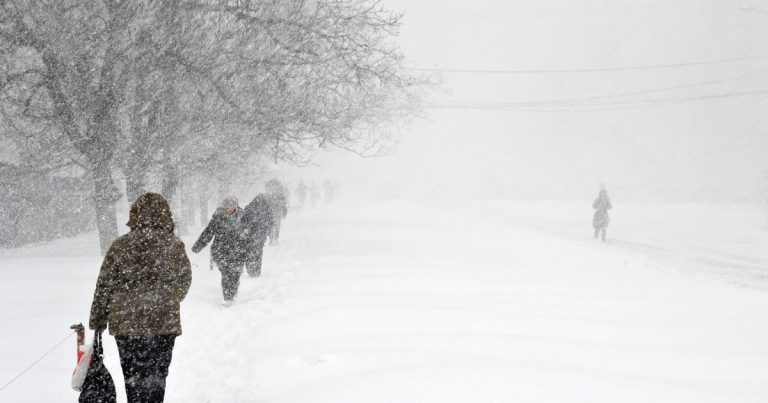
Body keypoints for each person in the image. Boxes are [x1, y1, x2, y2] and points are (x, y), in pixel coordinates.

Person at [88, 192, 192, 403]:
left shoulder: (120, 246)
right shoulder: (173, 245)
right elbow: (184, 279)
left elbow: (105, 284)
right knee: (157, 376)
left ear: (134, 214)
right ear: (165, 215)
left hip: (127, 323)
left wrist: (98, 319)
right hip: (163, 321)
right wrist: (168, 298)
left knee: (133, 376)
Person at [192, 196, 247, 304]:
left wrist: (248, 247)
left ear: (236, 206)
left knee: (235, 274)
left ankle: (233, 290)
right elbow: (208, 233)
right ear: (223, 207)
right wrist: (198, 246)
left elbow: (249, 234)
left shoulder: (243, 217)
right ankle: (228, 297)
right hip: (221, 251)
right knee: (226, 275)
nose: (229, 208)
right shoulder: (218, 218)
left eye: (232, 205)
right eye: (227, 206)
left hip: (238, 252)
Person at [240, 194, 274, 277]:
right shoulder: (267, 209)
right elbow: (271, 222)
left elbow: (243, 220)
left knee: (249, 252)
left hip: (250, 235)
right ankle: (256, 271)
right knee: (258, 253)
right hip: (260, 236)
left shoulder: (249, 207)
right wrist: (269, 232)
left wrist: (244, 229)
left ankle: (250, 270)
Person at [265, 179, 288, 245]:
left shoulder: (278, 194)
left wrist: (283, 209)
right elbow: (284, 203)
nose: (273, 187)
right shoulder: (268, 194)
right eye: (272, 186)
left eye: (274, 185)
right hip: (271, 211)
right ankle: (272, 239)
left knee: (274, 225)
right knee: (273, 225)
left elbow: (284, 203)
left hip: (275, 211)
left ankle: (274, 238)